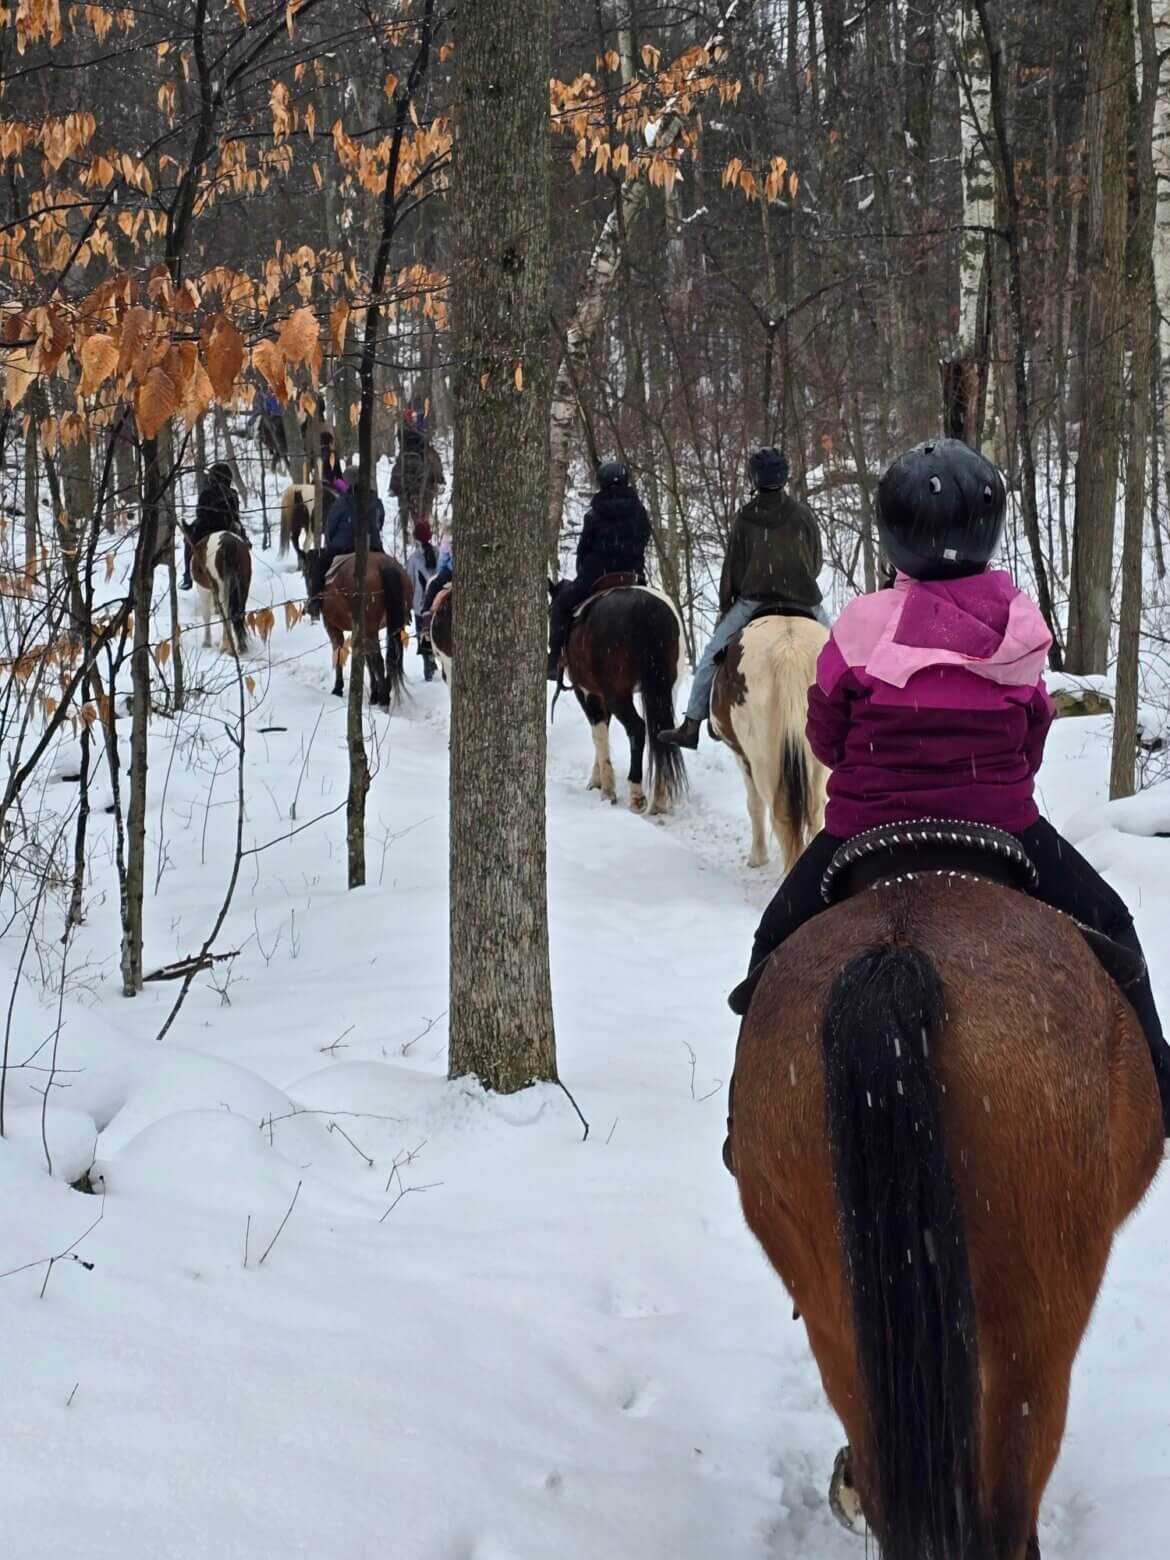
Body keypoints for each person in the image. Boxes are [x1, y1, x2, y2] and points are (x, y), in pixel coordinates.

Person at [723, 437, 1170, 1166]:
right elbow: (1033, 731)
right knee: (1113, 923)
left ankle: (747, 1115)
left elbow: (827, 734)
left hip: (865, 826)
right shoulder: (1019, 625)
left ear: (894, 532)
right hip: (1003, 826)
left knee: (774, 943)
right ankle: (1161, 1078)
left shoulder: (861, 625)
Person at [659, 447, 824, 746]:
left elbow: (733, 568)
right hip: (804, 600)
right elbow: (816, 562)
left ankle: (692, 724)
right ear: (784, 476)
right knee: (844, 654)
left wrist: (727, 606)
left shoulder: (746, 518)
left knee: (711, 656)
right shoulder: (802, 515)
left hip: (755, 602)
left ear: (755, 478)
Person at [547, 461, 652, 680]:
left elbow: (584, 549)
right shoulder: (640, 512)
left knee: (561, 606)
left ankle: (554, 660)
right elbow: (643, 540)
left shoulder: (594, 515)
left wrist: (585, 572)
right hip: (632, 575)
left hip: (597, 575)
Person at [307, 468, 385, 617]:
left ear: (348, 482)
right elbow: (380, 522)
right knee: (390, 568)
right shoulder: (375, 500)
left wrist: (330, 544)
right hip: (373, 546)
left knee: (319, 567)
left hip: (344, 548)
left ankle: (315, 602)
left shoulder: (341, 502)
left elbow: (330, 527)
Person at [181, 462, 247, 589]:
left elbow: (200, 513)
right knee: (240, 533)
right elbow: (235, 513)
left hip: (208, 528)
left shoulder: (206, 494)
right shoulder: (233, 493)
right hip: (229, 527)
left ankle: (187, 575)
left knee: (189, 540)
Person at [390, 407, 446, 524]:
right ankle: (439, 479)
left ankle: (394, 488)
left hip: (409, 453)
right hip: (415, 453)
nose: (414, 419)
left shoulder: (413, 428)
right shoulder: (404, 430)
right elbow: (417, 440)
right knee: (433, 458)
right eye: (412, 417)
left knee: (399, 467)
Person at [407, 519, 439, 680]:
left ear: (416, 538)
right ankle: (435, 661)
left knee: (423, 633)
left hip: (421, 605)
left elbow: (409, 582)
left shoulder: (414, 559)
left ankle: (428, 665)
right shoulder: (438, 553)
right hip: (438, 602)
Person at [421, 530, 453, 615]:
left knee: (433, 585)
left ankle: (426, 610)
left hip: (450, 570)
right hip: (451, 568)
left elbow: (443, 561)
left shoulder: (448, 539)